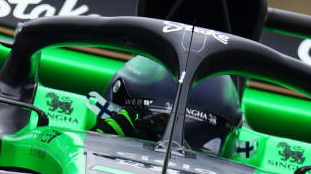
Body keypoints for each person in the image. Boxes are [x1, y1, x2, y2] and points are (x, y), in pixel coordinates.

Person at [92, 56, 242, 154]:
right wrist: (94, 141)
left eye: (190, 140)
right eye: (154, 132)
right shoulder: (74, 136)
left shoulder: (247, 152)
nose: (170, 149)